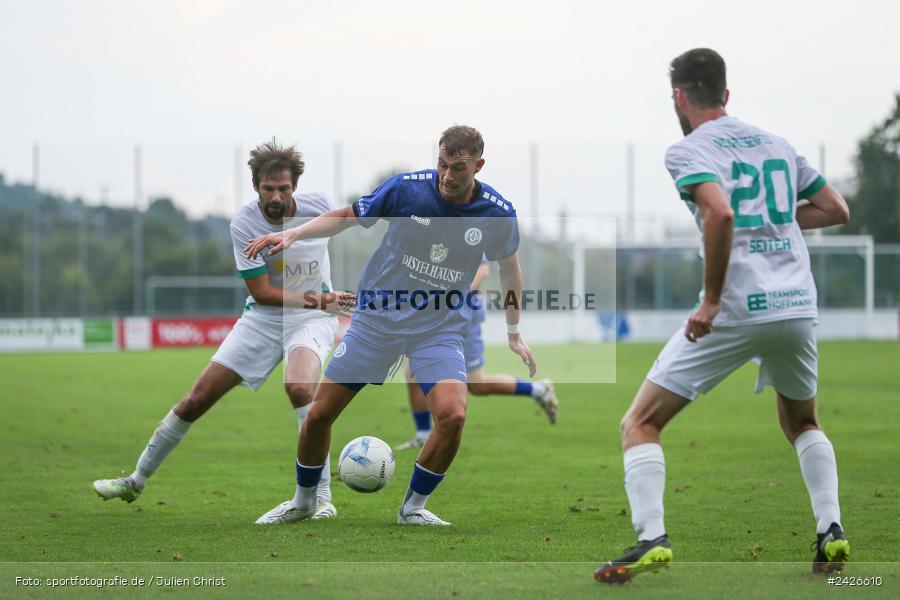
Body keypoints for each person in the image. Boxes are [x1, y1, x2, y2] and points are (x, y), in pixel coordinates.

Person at [594, 49, 851, 584]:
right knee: (803, 421)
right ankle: (831, 531)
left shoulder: (689, 150)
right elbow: (834, 209)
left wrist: (710, 300)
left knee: (639, 423)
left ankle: (651, 538)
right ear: (727, 94)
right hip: (798, 305)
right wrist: (776, 223)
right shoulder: (777, 143)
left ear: (679, 98)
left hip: (736, 307)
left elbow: (721, 211)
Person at [247, 125, 536, 527]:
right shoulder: (407, 190)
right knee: (318, 414)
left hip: (438, 329)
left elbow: (510, 271)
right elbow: (348, 216)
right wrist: (297, 232)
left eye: (458, 167)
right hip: (376, 322)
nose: (447, 176)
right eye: (442, 164)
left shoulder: (497, 213)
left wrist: (514, 332)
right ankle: (303, 501)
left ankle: (412, 508)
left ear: (478, 166)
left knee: (452, 415)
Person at [92, 140, 352, 520]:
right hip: (265, 318)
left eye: (283, 188)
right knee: (195, 400)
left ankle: (321, 499)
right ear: (255, 186)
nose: (275, 196)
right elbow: (262, 294)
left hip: (311, 320)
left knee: (299, 389)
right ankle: (136, 480)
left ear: (295, 186)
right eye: (268, 189)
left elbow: (357, 217)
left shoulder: (319, 206)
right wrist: (323, 300)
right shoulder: (245, 223)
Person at [397, 260, 557, 451]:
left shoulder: (464, 231)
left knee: (477, 384)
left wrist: (450, 296)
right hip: (431, 312)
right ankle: (423, 435)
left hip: (463, 314)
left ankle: (539, 390)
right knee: (411, 371)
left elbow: (482, 269)